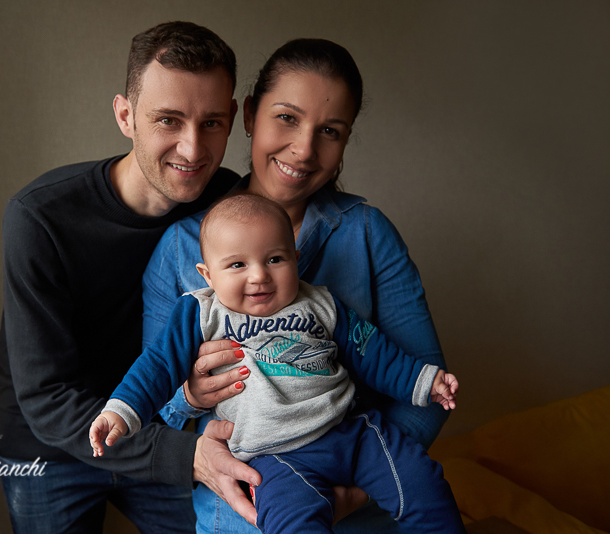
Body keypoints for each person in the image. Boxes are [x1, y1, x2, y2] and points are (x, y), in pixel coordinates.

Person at [142, 39, 451, 533]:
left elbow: (428, 386)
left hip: (362, 504)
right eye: (286, 117)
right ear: (249, 115)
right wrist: (191, 398)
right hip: (242, 514)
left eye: (330, 131)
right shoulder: (180, 249)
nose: (304, 149)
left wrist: (353, 488)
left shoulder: (368, 235)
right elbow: (156, 413)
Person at [0, 21, 261, 533]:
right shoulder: (41, 216)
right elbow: (46, 398)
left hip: (166, 425)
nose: (193, 149)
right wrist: (185, 457)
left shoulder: (233, 209)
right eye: (168, 120)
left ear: (236, 121)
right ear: (125, 115)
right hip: (52, 446)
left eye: (212, 123)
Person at [91, 194, 464, 534]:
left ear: (295, 258)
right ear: (207, 275)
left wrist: (426, 380)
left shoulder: (321, 303)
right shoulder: (201, 313)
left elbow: (374, 353)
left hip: (353, 432)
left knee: (425, 485)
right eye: (237, 264)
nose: (259, 276)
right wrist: (121, 412)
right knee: (292, 525)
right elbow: (157, 365)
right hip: (275, 458)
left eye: (275, 259)